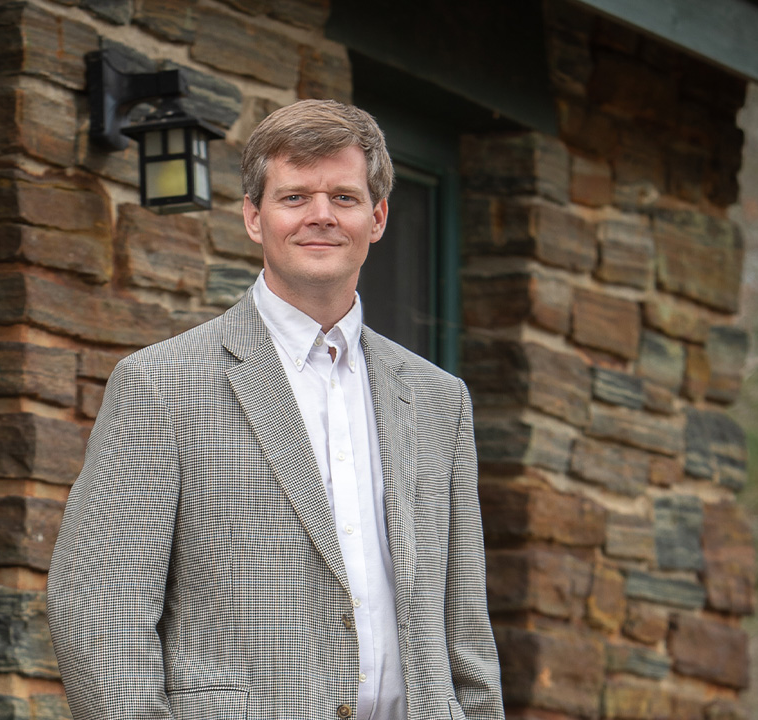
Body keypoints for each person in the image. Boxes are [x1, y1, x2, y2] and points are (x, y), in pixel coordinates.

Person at [47, 99, 503, 720]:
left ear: (379, 217)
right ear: (254, 218)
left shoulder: (436, 399)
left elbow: (465, 629)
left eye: (344, 197)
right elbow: (100, 607)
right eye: (294, 198)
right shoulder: (162, 385)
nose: (321, 216)